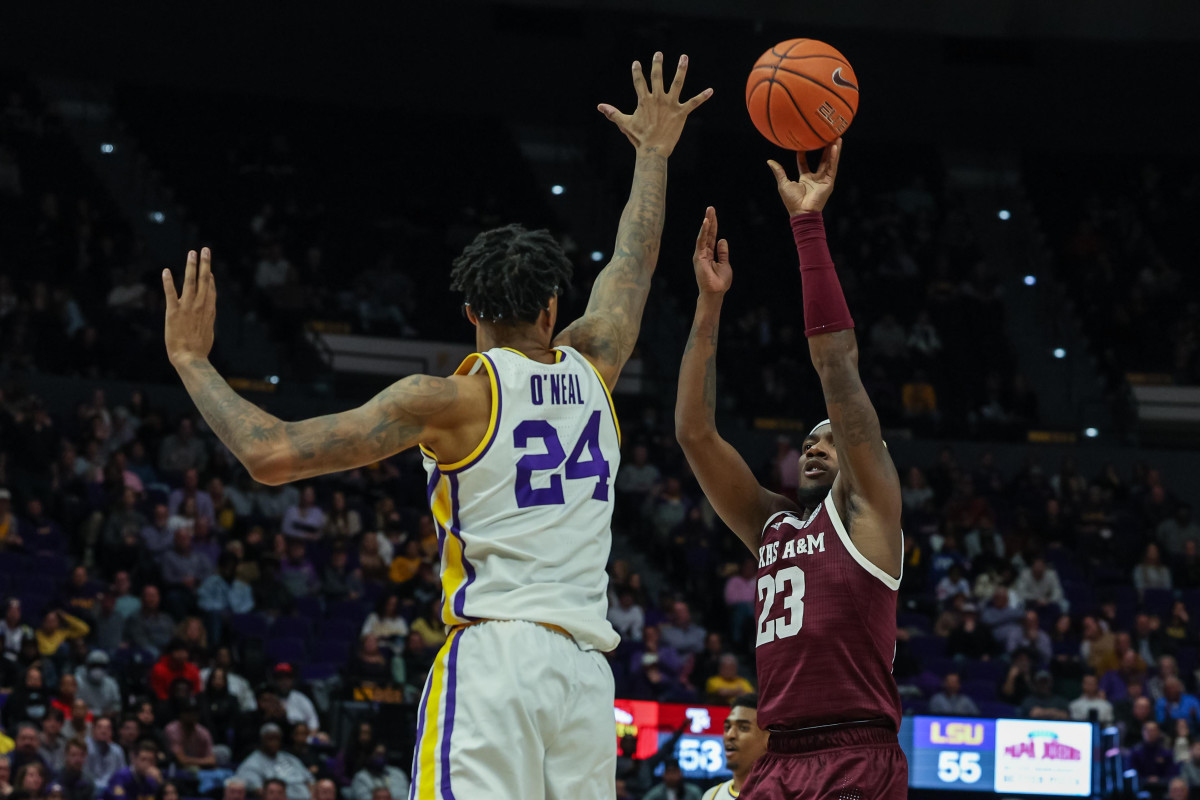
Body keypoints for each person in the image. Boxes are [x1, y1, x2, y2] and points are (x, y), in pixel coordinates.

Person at [162, 50, 709, 800]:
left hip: (497, 662)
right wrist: (652, 153)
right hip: (586, 676)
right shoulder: (595, 362)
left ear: (470, 313)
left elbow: (271, 454)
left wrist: (192, 359)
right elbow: (633, 263)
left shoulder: (448, 401)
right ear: (552, 309)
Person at [675, 141, 907, 798]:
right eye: (808, 439)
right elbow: (693, 432)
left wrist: (807, 224)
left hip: (855, 747)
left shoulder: (867, 513)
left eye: (830, 439)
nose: (814, 444)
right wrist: (709, 302)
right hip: (778, 757)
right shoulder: (771, 525)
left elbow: (836, 366)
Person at [701, 693, 768, 800]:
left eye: (743, 728)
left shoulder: (782, 793)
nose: (730, 735)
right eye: (727, 727)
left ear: (768, 738)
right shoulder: (711, 795)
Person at [233, 725, 312, 800]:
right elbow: (261, 792)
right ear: (262, 739)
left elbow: (311, 782)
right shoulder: (251, 763)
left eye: (277, 739)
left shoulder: (290, 759)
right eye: (270, 738)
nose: (274, 742)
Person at [269, 666, 318, 735]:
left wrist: (309, 737)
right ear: (275, 680)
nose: (284, 682)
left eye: (287, 678)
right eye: (280, 678)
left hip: (299, 738)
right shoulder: (269, 698)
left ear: (292, 680)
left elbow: (313, 721)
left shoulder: (301, 698)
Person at [1130, 721, 1177, 790]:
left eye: (1153, 730)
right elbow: (1131, 773)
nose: (1150, 733)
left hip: (1163, 787)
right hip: (1140, 787)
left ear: (1158, 732)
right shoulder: (1135, 752)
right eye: (1147, 730)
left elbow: (1172, 773)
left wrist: (1160, 780)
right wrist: (1145, 780)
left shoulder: (1167, 752)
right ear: (1143, 732)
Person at [83, 719, 125, 792]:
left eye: (107, 728)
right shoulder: (84, 746)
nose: (104, 731)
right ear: (93, 730)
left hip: (111, 790)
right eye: (100, 727)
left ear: (111, 732)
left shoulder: (117, 750)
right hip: (89, 788)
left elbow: (122, 774)